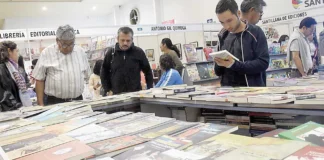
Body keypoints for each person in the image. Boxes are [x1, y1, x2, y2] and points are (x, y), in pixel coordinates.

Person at [214, 0, 269, 87]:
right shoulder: (222, 35)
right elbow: (218, 72)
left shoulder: (255, 32)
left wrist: (234, 64)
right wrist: (218, 63)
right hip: (227, 92)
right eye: (222, 22)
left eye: (229, 20)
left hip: (251, 93)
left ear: (238, 14)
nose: (226, 26)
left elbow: (263, 63)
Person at [32, 25, 91, 106]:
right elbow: (39, 79)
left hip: (77, 101)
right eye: (64, 45)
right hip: (55, 102)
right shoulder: (47, 53)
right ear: (57, 41)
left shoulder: (81, 52)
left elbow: (87, 75)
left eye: (71, 44)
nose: (68, 48)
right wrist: (40, 104)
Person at [101, 27, 153, 95]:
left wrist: (149, 89)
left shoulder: (138, 52)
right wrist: (107, 89)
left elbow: (148, 71)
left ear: (132, 40)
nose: (125, 43)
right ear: (117, 39)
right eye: (122, 40)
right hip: (116, 95)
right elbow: (104, 72)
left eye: (128, 40)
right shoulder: (111, 53)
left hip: (135, 94)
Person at [240, 0, 268, 86]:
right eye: (260, 13)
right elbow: (263, 62)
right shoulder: (256, 32)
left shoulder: (227, 32)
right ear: (252, 10)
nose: (260, 18)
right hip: (254, 87)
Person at [0, 41, 32, 110]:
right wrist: (17, 107)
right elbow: (5, 95)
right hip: (10, 111)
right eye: (16, 51)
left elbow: (21, 87)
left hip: (19, 108)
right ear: (9, 51)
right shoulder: (2, 69)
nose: (18, 54)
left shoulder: (16, 69)